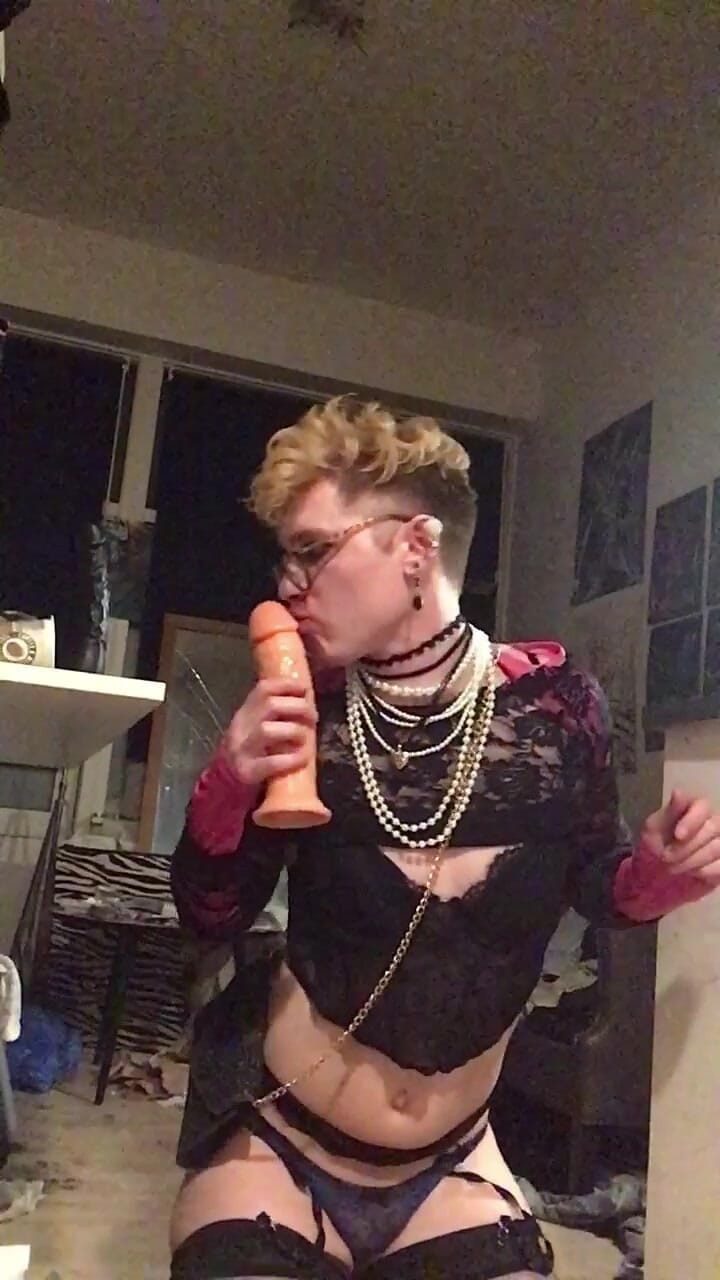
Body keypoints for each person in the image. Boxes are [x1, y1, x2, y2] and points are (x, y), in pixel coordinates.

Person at [168, 396, 720, 1280]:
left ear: (415, 547)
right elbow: (211, 915)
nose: (287, 584)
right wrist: (229, 779)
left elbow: (597, 882)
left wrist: (657, 875)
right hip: (281, 1149)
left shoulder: (556, 709)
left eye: (313, 550)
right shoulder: (307, 715)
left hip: (453, 1164)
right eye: (285, 557)